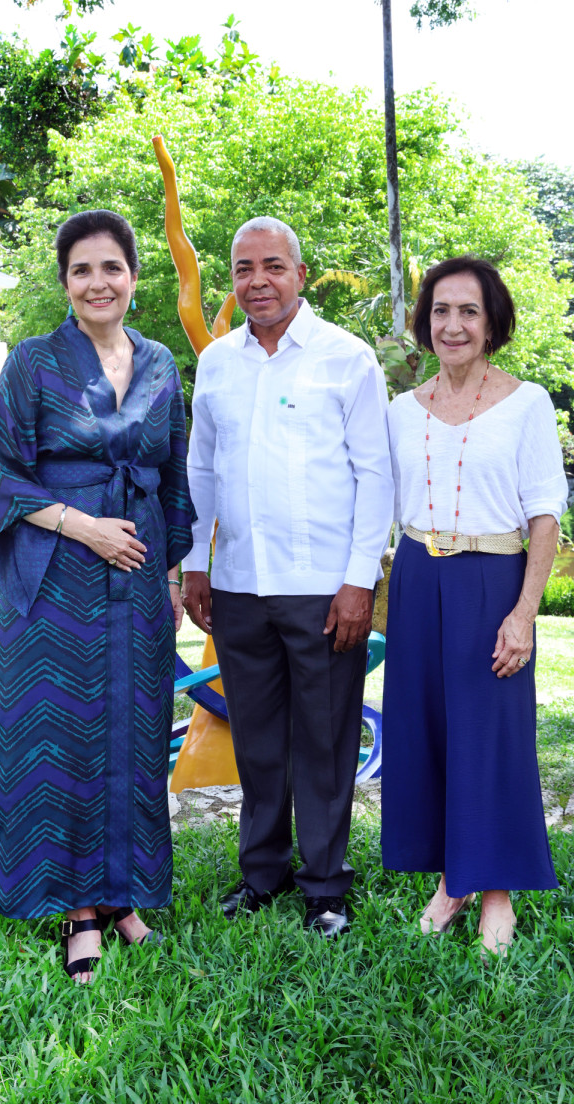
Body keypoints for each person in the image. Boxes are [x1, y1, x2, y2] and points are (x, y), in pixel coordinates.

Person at [0, 209, 195, 982]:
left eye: (111, 267)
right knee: (63, 733)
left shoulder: (163, 362)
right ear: (64, 282)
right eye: (81, 270)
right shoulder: (33, 364)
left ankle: (123, 893)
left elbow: (173, 474)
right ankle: (77, 911)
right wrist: (83, 527)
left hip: (136, 580)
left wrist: (169, 574)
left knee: (134, 735)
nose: (97, 283)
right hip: (55, 576)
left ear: (135, 276)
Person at [181, 216, 393, 937]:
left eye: (273, 266)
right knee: (258, 740)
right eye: (244, 269)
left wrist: (359, 581)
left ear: (300, 274)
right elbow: (201, 470)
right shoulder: (217, 362)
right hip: (237, 584)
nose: (257, 282)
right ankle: (261, 874)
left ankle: (326, 887)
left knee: (326, 739)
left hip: (323, 587)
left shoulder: (347, 358)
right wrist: (197, 564)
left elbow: (376, 474)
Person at [381, 255, 567, 957]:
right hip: (419, 580)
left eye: (468, 312)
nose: (452, 325)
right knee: (426, 732)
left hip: (494, 578)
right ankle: (450, 883)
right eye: (440, 311)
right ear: (425, 324)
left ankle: (496, 892)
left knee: (490, 740)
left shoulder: (527, 403)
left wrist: (522, 614)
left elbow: (544, 518)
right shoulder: (401, 410)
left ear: (492, 323)